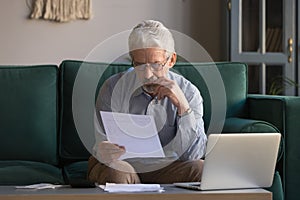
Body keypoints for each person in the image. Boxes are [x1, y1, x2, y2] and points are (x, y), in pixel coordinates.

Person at [88, 20, 207, 184]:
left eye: (156, 64)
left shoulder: (189, 92)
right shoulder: (112, 88)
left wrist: (183, 108)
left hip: (165, 168)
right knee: (119, 171)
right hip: (121, 165)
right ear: (132, 61)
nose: (148, 74)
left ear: (171, 60)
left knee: (200, 169)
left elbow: (193, 155)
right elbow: (101, 145)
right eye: (140, 65)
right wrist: (104, 151)